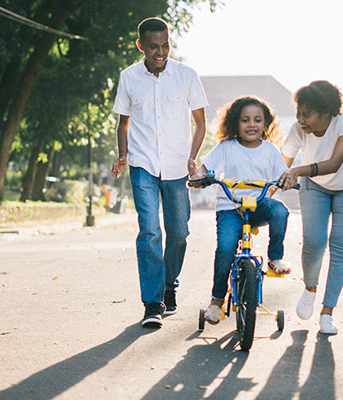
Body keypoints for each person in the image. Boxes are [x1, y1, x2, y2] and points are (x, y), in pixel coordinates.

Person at [111, 17, 208, 328]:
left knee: (179, 233)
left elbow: (201, 123)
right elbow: (123, 123)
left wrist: (193, 157)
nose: (161, 52)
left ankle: (169, 286)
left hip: (178, 166)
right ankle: (153, 303)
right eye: (153, 47)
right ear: (141, 46)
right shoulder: (128, 78)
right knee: (150, 231)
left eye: (165, 45)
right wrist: (123, 154)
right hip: (142, 165)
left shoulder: (186, 75)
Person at [191, 96, 291, 325]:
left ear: (266, 124)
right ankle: (217, 300)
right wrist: (199, 177)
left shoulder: (270, 150)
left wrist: (286, 181)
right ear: (236, 123)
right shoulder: (226, 147)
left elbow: (283, 175)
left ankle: (275, 258)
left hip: (258, 205)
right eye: (245, 120)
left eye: (257, 120)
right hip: (230, 207)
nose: (252, 125)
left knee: (280, 211)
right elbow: (204, 169)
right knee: (226, 249)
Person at [279, 80, 343, 335]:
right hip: (315, 186)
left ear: (326, 112)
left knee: (340, 245)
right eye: (298, 112)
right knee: (314, 241)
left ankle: (327, 312)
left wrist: (297, 170)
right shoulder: (298, 129)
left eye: (306, 114)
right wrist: (267, 188)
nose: (300, 119)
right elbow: (280, 164)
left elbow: (335, 163)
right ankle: (310, 288)